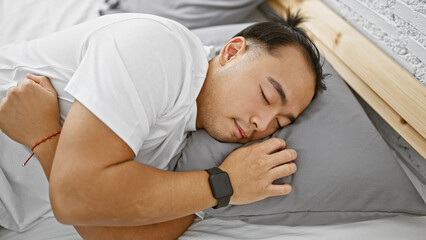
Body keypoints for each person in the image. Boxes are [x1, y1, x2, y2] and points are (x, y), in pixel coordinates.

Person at [0, 12, 326, 239]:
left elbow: (113, 231)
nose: (263, 124)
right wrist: (225, 184)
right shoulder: (160, 48)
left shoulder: (190, 146)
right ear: (232, 52)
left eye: (281, 123)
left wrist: (43, 138)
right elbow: (75, 198)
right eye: (267, 95)